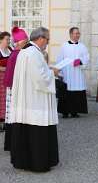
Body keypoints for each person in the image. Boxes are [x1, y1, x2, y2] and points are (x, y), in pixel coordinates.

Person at [9, 27, 60, 172]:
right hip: (35, 100)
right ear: (41, 38)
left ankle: (23, 161)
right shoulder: (33, 53)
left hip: (28, 98)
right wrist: (53, 72)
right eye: (48, 39)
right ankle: (38, 163)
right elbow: (41, 79)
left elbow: (36, 73)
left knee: (26, 131)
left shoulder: (26, 52)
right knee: (36, 131)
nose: (48, 42)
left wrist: (48, 69)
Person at [3, 27, 29, 151]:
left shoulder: (15, 53)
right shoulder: (18, 54)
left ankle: (10, 144)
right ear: (20, 42)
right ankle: (13, 144)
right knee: (14, 115)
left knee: (12, 115)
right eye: (25, 40)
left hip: (13, 87)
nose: (27, 42)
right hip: (15, 88)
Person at [57, 27, 89, 118]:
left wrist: (80, 61)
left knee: (77, 91)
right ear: (70, 34)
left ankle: (75, 111)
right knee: (66, 91)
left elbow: (86, 57)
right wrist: (60, 72)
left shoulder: (82, 46)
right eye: (75, 33)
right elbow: (60, 58)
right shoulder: (64, 46)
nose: (77, 35)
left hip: (78, 72)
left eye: (78, 33)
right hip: (67, 72)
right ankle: (65, 112)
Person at [0, 32, 12, 132]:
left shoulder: (10, 50)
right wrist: (6, 68)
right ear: (1, 39)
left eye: (9, 39)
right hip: (0, 77)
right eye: (7, 39)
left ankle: (6, 121)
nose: (9, 41)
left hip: (9, 77)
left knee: (7, 99)